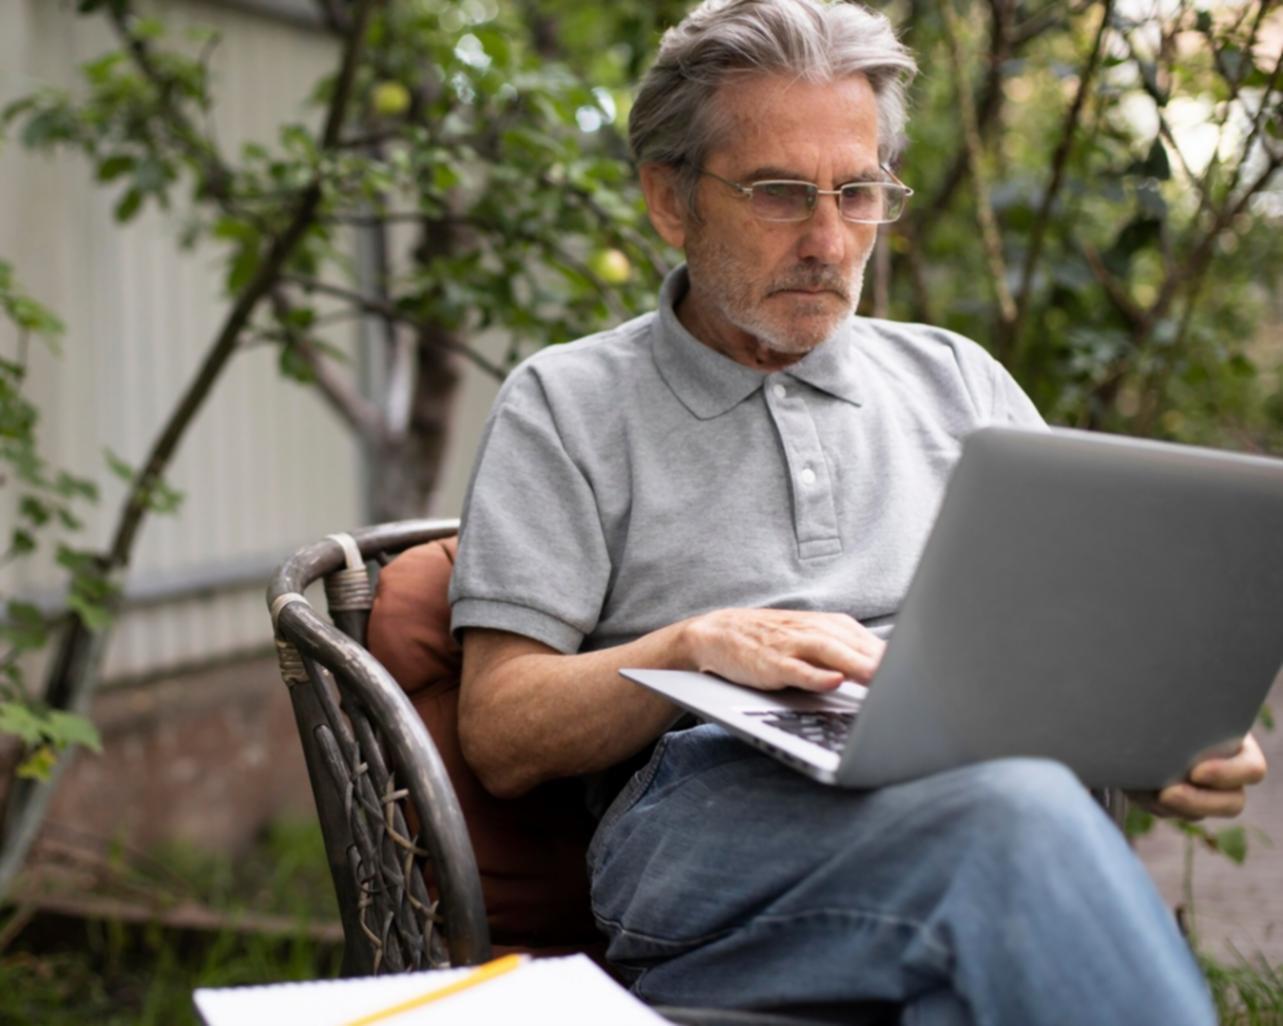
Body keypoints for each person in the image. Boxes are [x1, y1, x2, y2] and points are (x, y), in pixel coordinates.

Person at [447, 1, 1268, 1021]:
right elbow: (499, 729)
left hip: (964, 797)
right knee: (1014, 815)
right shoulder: (566, 402)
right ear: (670, 199)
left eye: (859, 191)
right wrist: (693, 646)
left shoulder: (957, 380)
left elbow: (1069, 653)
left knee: (975, 953)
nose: (828, 240)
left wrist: (1159, 744)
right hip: (708, 813)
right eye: (779, 193)